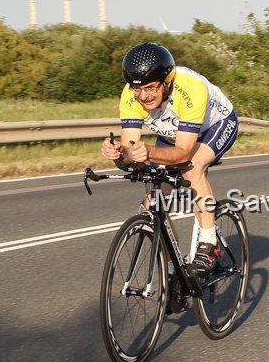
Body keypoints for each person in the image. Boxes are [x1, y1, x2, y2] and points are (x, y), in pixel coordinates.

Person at [100, 42, 238, 278]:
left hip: (215, 125)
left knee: (191, 170)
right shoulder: (131, 96)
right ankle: (173, 270)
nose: (144, 96)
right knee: (152, 203)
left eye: (151, 88)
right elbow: (131, 150)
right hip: (173, 133)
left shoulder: (190, 88)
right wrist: (120, 154)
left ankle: (209, 242)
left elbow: (183, 152)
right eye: (138, 89)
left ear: (167, 82)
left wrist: (149, 152)